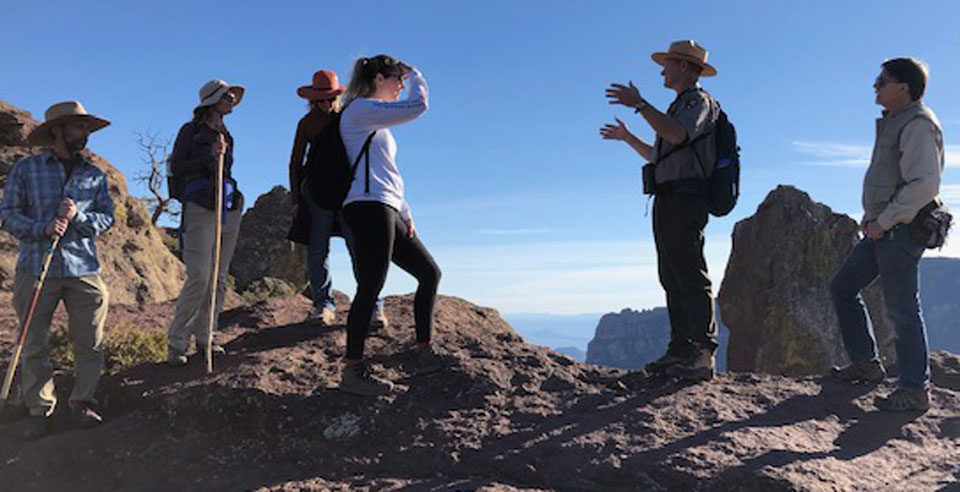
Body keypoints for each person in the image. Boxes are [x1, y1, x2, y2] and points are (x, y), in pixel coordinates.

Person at [829, 58, 944, 412]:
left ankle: (915, 389)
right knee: (843, 287)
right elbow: (889, 179)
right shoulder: (897, 121)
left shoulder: (918, 124)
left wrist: (885, 220)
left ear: (903, 87)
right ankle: (866, 363)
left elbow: (924, 184)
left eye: (882, 81)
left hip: (901, 230)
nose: (875, 86)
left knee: (902, 310)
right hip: (885, 227)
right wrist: (873, 218)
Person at [601, 40, 720, 381]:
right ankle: (680, 349)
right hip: (669, 198)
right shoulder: (678, 105)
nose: (662, 72)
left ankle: (702, 354)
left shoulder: (698, 102)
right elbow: (659, 156)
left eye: (666, 65)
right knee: (671, 274)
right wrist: (627, 137)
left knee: (689, 273)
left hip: (686, 199)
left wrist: (639, 104)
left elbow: (678, 136)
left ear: (682, 66)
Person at [0, 101, 115, 439]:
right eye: (79, 126)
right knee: (33, 342)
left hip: (83, 267)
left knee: (90, 340)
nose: (85, 133)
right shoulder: (27, 169)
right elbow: (7, 215)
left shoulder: (94, 175)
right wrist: (43, 227)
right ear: (58, 130)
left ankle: (83, 402)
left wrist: (78, 217)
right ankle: (39, 409)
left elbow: (106, 218)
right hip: (36, 266)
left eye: (86, 127)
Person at [337, 55, 442, 396]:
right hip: (367, 206)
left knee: (429, 273)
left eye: (404, 79)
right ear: (379, 79)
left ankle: (423, 350)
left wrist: (405, 212)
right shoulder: (359, 109)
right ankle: (353, 371)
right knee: (371, 285)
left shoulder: (376, 118)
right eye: (397, 79)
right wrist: (418, 74)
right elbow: (418, 106)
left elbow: (386, 172)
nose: (401, 85)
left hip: (386, 206)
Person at [289, 69, 388, 329]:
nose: (325, 104)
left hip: (348, 191)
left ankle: (373, 304)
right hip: (317, 191)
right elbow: (295, 163)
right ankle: (323, 304)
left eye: (330, 99)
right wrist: (295, 199)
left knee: (359, 247)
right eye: (319, 100)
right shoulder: (307, 123)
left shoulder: (348, 117)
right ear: (312, 100)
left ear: (338, 97)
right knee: (317, 249)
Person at [166, 80, 245, 366]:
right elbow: (176, 167)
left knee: (219, 279)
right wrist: (208, 158)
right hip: (200, 207)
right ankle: (177, 342)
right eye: (227, 96)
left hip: (227, 207)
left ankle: (206, 337)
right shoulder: (191, 131)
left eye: (232, 96)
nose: (232, 99)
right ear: (213, 100)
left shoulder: (226, 134)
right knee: (200, 276)